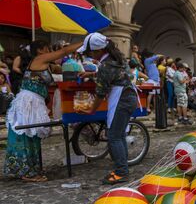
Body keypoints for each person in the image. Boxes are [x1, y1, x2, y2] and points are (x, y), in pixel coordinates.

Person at [4, 40, 82, 182]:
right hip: (29, 102)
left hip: (34, 101)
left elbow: (60, 60)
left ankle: (31, 169)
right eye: (48, 48)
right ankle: (28, 172)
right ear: (40, 50)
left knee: (32, 136)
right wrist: (83, 42)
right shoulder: (40, 59)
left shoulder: (44, 63)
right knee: (28, 135)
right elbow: (63, 52)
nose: (50, 50)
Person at [77, 33, 137, 184]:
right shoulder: (117, 58)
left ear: (97, 51)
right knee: (119, 135)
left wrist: (92, 110)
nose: (88, 55)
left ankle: (122, 172)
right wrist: (92, 73)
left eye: (88, 52)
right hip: (129, 97)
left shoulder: (105, 65)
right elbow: (113, 73)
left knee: (114, 137)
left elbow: (100, 93)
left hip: (121, 99)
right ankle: (121, 168)